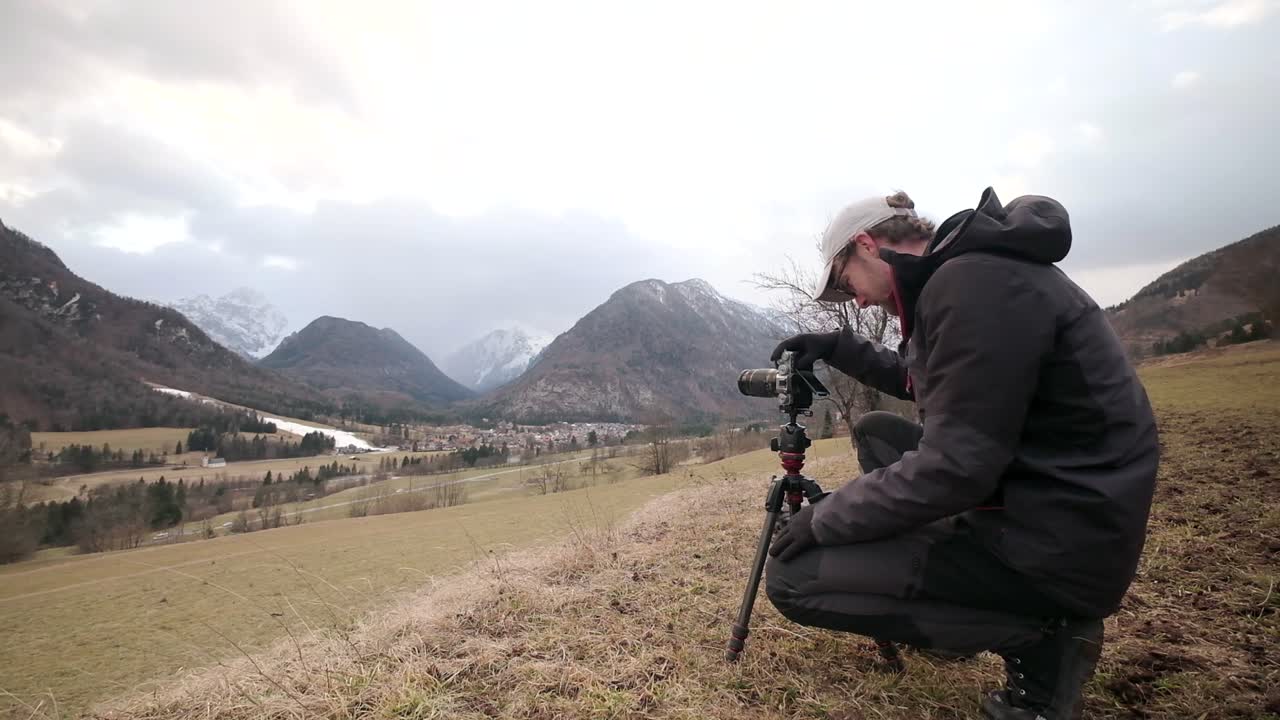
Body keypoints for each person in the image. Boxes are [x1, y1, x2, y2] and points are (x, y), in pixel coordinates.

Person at [764, 188, 1160, 720]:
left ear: (867, 245)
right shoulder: (967, 275)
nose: (854, 300)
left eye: (844, 282)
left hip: (1057, 545)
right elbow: (932, 378)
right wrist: (838, 346)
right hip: (1057, 502)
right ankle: (965, 599)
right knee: (882, 433)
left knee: (795, 578)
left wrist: (824, 518)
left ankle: (1045, 632)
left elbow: (955, 468)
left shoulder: (972, 284)